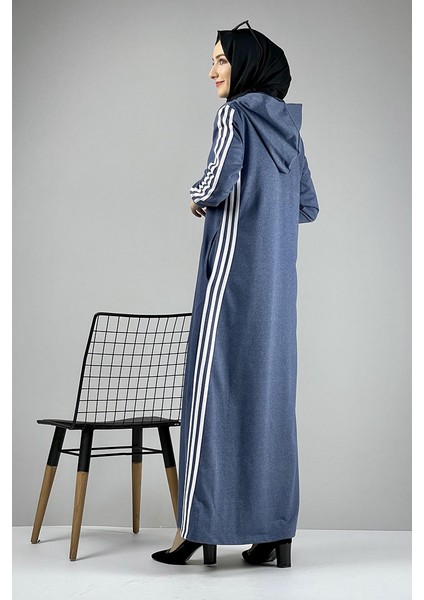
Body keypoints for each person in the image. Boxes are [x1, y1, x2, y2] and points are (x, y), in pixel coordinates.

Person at [152, 19, 319, 567]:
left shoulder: (234, 116)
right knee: (269, 404)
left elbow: (216, 182)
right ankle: (273, 531)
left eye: (222, 59)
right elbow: (308, 207)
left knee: (209, 397)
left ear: (246, 66)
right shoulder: (290, 132)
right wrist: (269, 215)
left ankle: (195, 528)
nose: (212, 71)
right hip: (277, 294)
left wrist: (196, 196)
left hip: (230, 283)